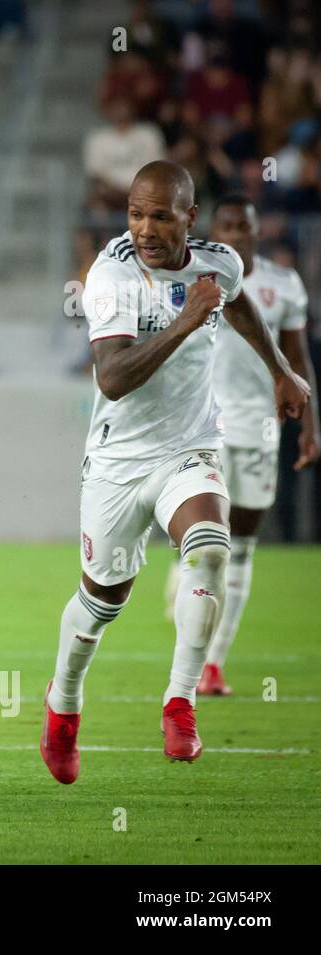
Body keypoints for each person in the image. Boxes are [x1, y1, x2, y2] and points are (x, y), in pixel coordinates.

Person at [40, 161, 310, 784]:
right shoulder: (110, 276)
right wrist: (188, 319)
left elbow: (236, 307)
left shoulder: (219, 264)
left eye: (161, 216)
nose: (145, 228)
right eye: (136, 214)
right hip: (117, 459)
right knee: (103, 602)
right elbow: (112, 375)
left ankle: (181, 701)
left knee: (212, 549)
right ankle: (64, 705)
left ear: (190, 217)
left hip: (189, 447)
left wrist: (278, 370)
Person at [161, 195, 318, 694]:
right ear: (213, 229)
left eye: (243, 227)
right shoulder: (193, 277)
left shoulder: (282, 284)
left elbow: (296, 359)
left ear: (256, 231)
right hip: (202, 426)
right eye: (226, 226)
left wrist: (311, 423)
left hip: (259, 430)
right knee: (207, 538)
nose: (235, 234)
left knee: (242, 545)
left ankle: (214, 662)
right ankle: (192, 624)